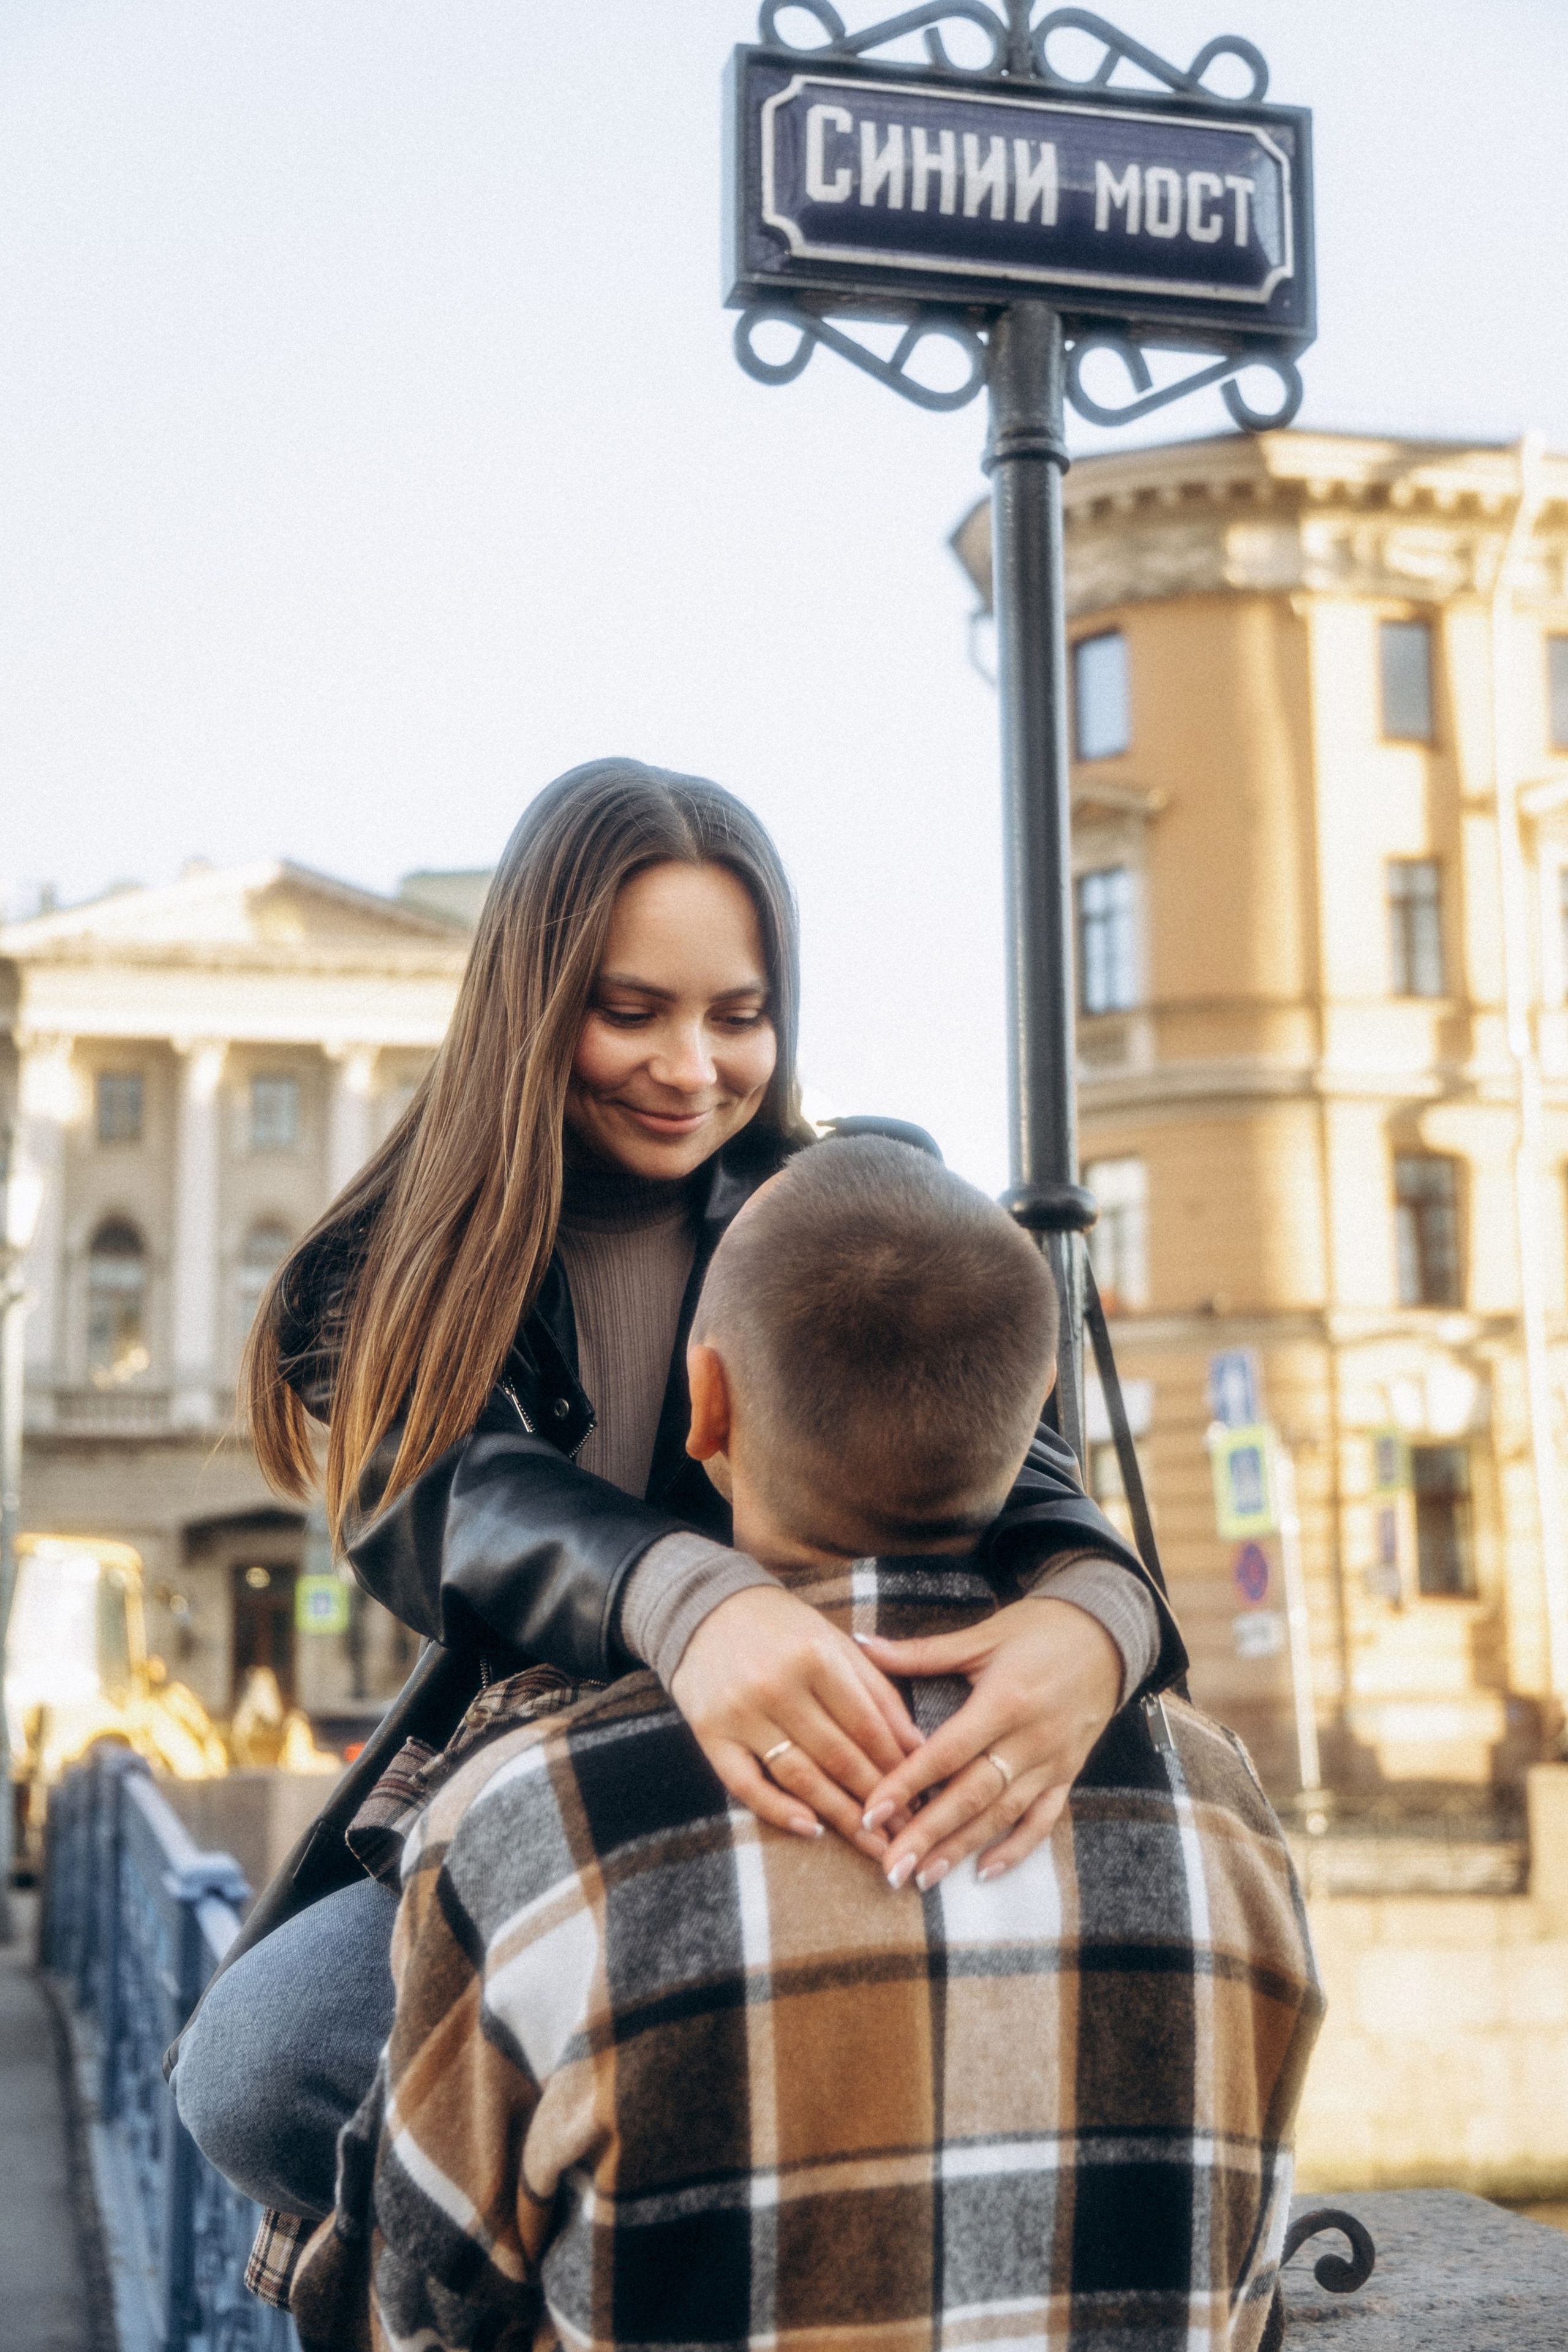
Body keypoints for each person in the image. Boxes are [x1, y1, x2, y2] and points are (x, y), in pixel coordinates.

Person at [173, 757, 1185, 2223]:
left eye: (739, 1015)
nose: (690, 1067)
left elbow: (1020, 1468)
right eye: (628, 1010)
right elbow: (438, 1500)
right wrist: (689, 1602)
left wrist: (1097, 1620)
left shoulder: (832, 1203)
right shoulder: (388, 1260)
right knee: (259, 2068)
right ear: (532, 999)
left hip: (848, 1765)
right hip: (529, 1777)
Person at [277, 1138, 1321, 2352]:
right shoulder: (1216, 1801)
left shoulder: (535, 1819)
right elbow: (1247, 2272)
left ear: (703, 1406)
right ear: (1035, 1413)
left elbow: (415, 2308)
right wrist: (1106, 1604)